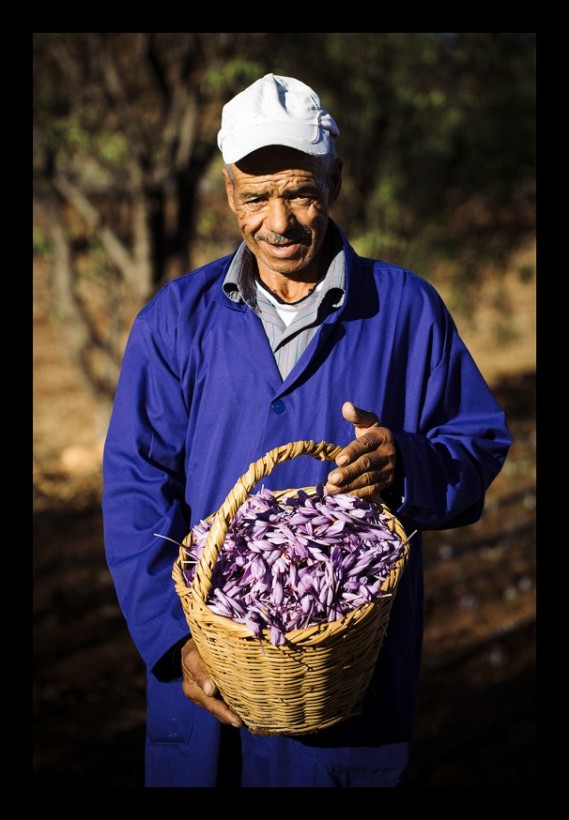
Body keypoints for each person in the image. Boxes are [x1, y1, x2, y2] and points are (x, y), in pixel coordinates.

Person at [102, 73, 511, 788]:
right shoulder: (175, 319)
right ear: (228, 193)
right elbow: (136, 483)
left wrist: (406, 465)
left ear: (336, 181)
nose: (279, 222)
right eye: (254, 197)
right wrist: (176, 644)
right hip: (211, 685)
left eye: (299, 192)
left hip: (344, 687)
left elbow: (474, 445)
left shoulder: (406, 311)